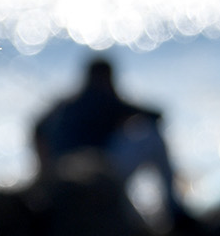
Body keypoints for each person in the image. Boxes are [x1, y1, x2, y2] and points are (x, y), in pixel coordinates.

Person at [33, 56, 178, 218]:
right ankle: (173, 209)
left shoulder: (65, 104)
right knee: (152, 136)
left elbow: (37, 128)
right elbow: (155, 116)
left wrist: (43, 168)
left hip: (59, 172)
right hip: (95, 172)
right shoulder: (105, 98)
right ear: (105, 77)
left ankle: (134, 209)